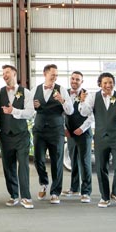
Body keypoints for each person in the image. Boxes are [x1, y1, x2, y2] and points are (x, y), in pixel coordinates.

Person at [78, 72, 116, 208]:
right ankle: (104, 197)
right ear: (100, 84)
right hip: (101, 138)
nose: (108, 85)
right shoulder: (93, 97)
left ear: (114, 83)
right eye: (105, 83)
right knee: (101, 167)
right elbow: (84, 113)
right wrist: (82, 101)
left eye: (110, 82)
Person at [0, 64, 35, 209]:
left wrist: (14, 111)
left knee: (23, 166)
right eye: (3, 73)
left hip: (22, 135)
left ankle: (26, 197)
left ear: (14, 74)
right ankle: (13, 195)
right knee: (8, 166)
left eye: (7, 72)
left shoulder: (26, 92)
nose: (5, 75)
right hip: (5, 135)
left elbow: (30, 113)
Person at [31, 64, 74, 205]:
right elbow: (28, 111)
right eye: (52, 75)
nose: (55, 77)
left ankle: (55, 192)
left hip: (56, 131)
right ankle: (43, 182)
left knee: (56, 161)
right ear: (45, 74)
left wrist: (62, 100)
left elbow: (70, 111)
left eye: (56, 75)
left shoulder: (61, 89)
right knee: (38, 159)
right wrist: (33, 106)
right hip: (39, 130)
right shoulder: (35, 90)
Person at [63, 71, 92, 204]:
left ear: (82, 81)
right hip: (70, 133)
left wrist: (82, 128)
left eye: (78, 80)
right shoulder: (65, 93)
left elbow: (92, 115)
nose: (74, 81)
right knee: (73, 161)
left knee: (84, 162)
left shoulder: (87, 94)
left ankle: (86, 191)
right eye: (73, 79)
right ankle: (74, 188)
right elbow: (61, 112)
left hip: (83, 133)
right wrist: (64, 129)